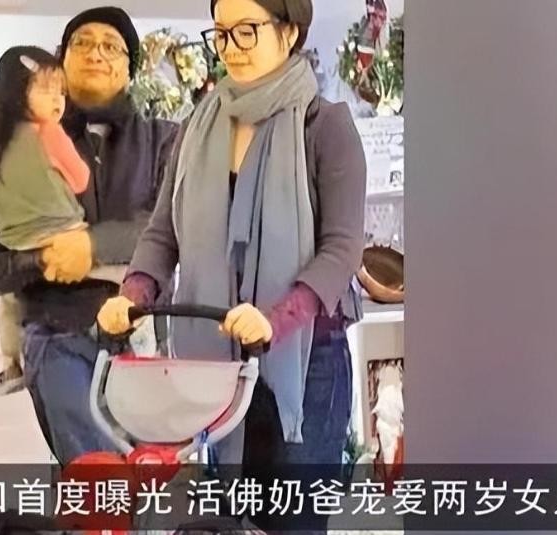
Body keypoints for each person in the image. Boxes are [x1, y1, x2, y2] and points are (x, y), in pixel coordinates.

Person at [97, 0, 366, 528]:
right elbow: (163, 233)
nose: (231, 48)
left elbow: (342, 249)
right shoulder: (197, 129)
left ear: (289, 32)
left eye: (248, 31)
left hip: (306, 360)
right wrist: (133, 294)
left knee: (294, 519)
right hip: (217, 360)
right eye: (221, 33)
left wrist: (276, 318)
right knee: (226, 513)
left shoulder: (324, 126)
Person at [0, 6, 178, 465]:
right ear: (60, 61)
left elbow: (177, 225)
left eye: (111, 46)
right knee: (96, 475)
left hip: (145, 334)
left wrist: (92, 247)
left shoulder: (166, 141)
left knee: (147, 478)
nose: (96, 53)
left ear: (130, 68)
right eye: (83, 43)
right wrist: (41, 259)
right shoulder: (10, 144)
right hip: (55, 331)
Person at [0, 46, 93, 392]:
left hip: (14, 241)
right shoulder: (48, 132)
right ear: (17, 92)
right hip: (63, 230)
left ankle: (11, 363)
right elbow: (80, 179)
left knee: (10, 302)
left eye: (60, 91)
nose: (58, 100)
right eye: (46, 89)